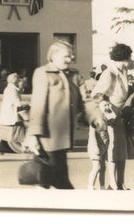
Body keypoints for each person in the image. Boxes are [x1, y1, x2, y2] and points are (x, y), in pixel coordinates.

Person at [25, 40, 86, 189]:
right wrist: (33, 135)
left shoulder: (73, 75)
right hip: (48, 138)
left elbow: (84, 102)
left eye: (71, 56)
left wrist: (95, 117)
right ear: (53, 56)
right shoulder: (43, 73)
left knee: (45, 182)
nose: (70, 59)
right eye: (66, 56)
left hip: (61, 139)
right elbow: (38, 106)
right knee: (61, 183)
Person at [91, 43, 134, 190]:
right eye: (129, 58)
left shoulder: (122, 72)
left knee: (122, 151)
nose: (130, 61)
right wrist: (107, 108)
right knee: (113, 151)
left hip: (121, 117)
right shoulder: (109, 73)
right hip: (111, 118)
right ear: (124, 58)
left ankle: (120, 182)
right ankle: (112, 183)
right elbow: (97, 95)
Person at [0, 73, 27, 154]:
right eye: (18, 80)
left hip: (5, 115)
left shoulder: (8, 88)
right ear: (15, 80)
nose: (19, 81)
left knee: (2, 131)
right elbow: (17, 102)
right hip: (12, 115)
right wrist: (25, 105)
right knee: (20, 131)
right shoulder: (13, 90)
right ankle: (24, 148)